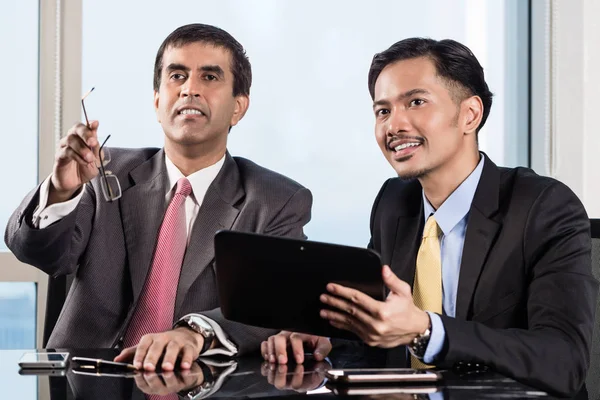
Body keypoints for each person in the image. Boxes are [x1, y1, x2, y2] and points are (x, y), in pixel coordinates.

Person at [261, 38, 598, 397]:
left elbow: (564, 359)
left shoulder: (543, 206)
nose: (394, 125)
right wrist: (329, 338)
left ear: (470, 114)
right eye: (382, 111)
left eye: (416, 102)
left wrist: (425, 331)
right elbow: (384, 338)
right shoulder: (393, 203)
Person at [5, 23, 312, 372]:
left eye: (209, 78)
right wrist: (62, 189)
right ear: (156, 101)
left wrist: (196, 332)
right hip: (86, 379)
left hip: (196, 384)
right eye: (177, 76)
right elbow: (35, 252)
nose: (189, 90)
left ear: (238, 108)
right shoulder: (104, 172)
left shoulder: (277, 201)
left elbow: (273, 303)